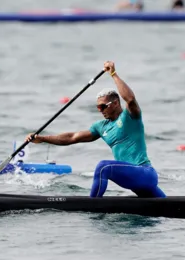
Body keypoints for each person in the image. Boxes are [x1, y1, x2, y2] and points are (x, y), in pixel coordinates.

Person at [26, 61, 166, 198]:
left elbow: (130, 99)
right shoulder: (101, 126)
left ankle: (92, 205)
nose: (100, 110)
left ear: (116, 103)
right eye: (98, 107)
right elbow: (72, 137)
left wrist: (113, 74)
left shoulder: (130, 116)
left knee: (103, 167)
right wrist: (43, 138)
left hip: (145, 173)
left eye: (103, 106)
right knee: (165, 207)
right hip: (134, 182)